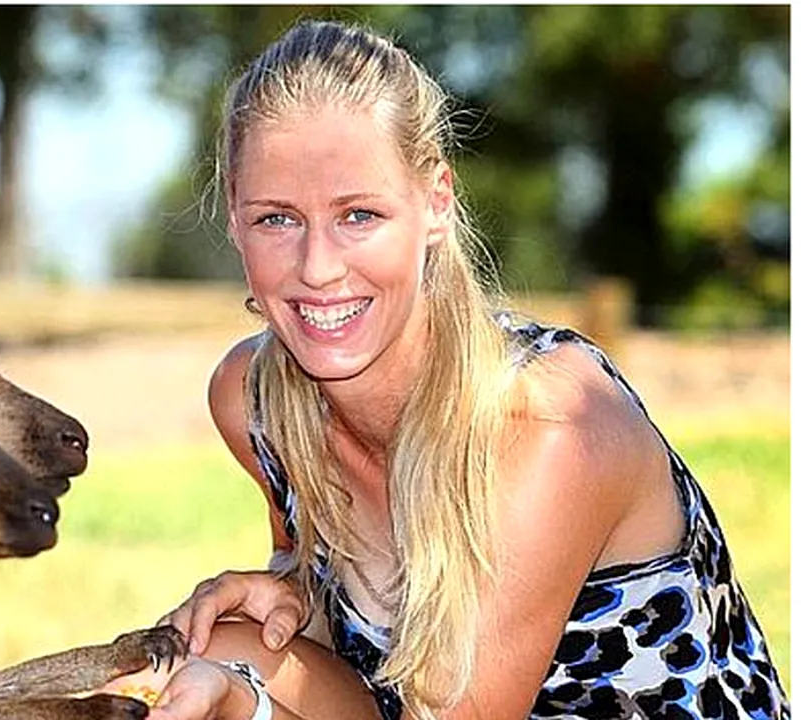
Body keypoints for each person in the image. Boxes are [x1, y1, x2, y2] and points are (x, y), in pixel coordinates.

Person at [136, 18, 790, 720]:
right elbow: (348, 653)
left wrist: (250, 703)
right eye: (276, 219)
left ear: (436, 205)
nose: (318, 269)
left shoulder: (546, 427)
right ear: (233, 220)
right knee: (220, 649)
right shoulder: (256, 403)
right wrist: (272, 630)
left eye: (359, 215)